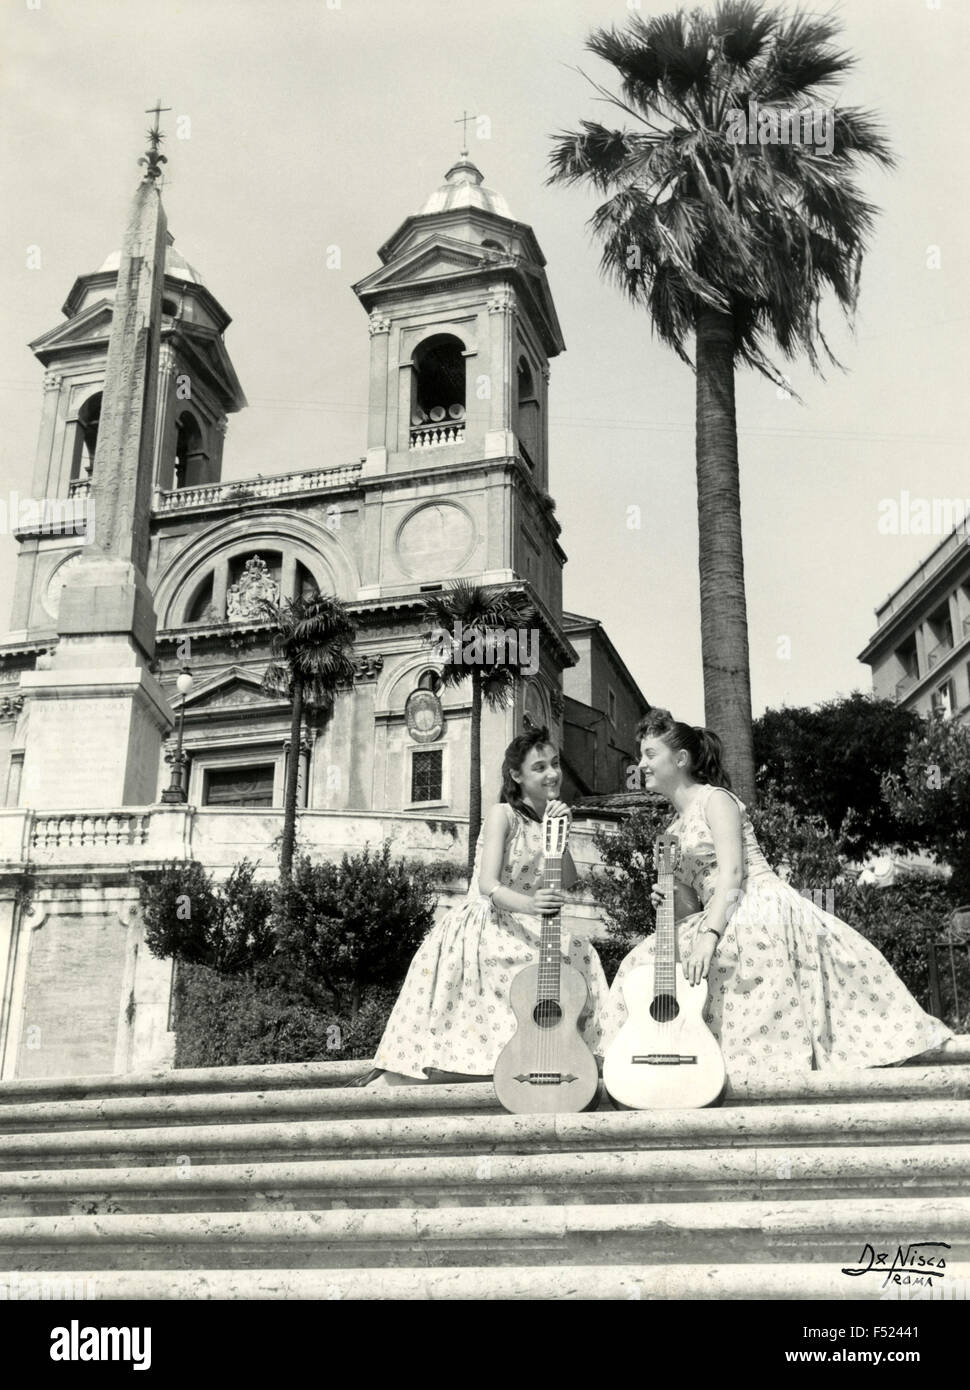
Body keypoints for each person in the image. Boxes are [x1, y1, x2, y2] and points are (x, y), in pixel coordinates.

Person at [602, 708, 954, 1075]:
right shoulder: (672, 828)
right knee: (638, 964)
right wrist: (670, 901)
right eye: (642, 755)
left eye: (650, 754)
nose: (641, 764)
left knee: (747, 968)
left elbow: (734, 872)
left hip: (755, 904)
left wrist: (709, 935)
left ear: (681, 759)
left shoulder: (715, 799)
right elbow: (692, 904)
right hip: (717, 912)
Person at [362, 726, 613, 1085]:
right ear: (517, 775)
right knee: (526, 965)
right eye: (539, 767)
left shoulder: (549, 820)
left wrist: (560, 832)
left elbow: (567, 879)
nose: (552, 774)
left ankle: (574, 1055)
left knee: (582, 952)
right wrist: (530, 904)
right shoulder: (503, 815)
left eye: (554, 764)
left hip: (525, 921)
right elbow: (488, 885)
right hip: (488, 919)